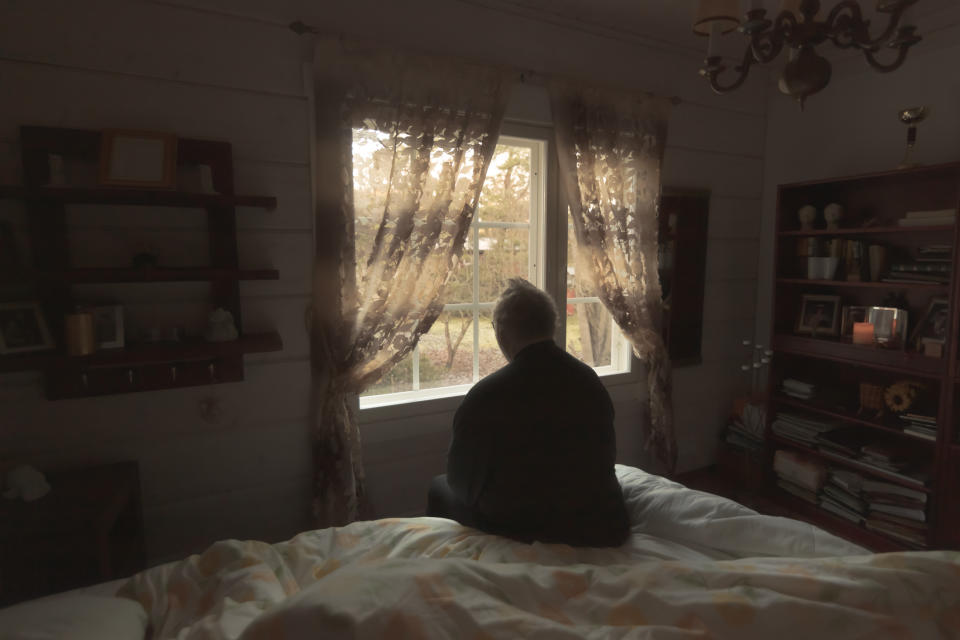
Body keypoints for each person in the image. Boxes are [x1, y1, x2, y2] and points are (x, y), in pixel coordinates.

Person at [426, 278, 630, 547]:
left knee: (438, 488)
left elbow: (461, 481)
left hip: (526, 526)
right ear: (552, 325)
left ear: (500, 332)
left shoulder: (487, 396)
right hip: (597, 521)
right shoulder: (589, 380)